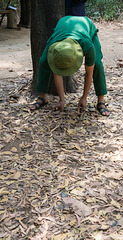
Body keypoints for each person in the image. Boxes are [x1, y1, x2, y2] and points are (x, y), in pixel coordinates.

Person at [30, 16, 109, 116]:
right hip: (61, 31)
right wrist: (61, 100)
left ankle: (101, 101)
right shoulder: (55, 47)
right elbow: (57, 70)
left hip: (85, 26)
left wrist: (84, 97)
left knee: (97, 63)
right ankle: (42, 97)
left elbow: (89, 73)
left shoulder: (87, 45)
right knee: (43, 61)